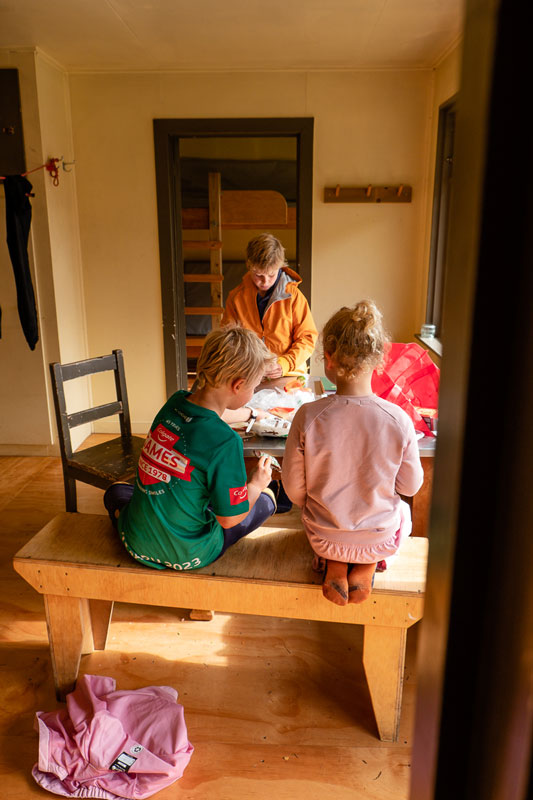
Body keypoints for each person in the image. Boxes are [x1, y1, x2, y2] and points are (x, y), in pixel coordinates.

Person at [281, 301, 424, 606]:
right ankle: (368, 563)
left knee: (323, 515)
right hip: (378, 536)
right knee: (403, 512)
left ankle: (333, 561)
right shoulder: (398, 419)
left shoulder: (307, 416)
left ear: (328, 358)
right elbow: (411, 487)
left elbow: (294, 492)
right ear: (379, 359)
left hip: (323, 536)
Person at [104, 326, 279, 572]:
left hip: (135, 542)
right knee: (265, 500)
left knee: (116, 492)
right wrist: (256, 485)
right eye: (255, 386)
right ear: (238, 386)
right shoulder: (226, 442)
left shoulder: (176, 402)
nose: (254, 392)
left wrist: (251, 414)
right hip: (190, 552)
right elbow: (228, 520)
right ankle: (262, 496)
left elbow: (208, 415)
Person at [221, 233, 318, 394]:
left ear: (280, 267)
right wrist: (248, 366)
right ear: (249, 266)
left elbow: (307, 339)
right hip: (249, 375)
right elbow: (229, 340)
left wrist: (284, 364)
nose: (265, 281)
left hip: (287, 373)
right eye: (258, 275)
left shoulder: (294, 297)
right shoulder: (236, 298)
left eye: (271, 275)